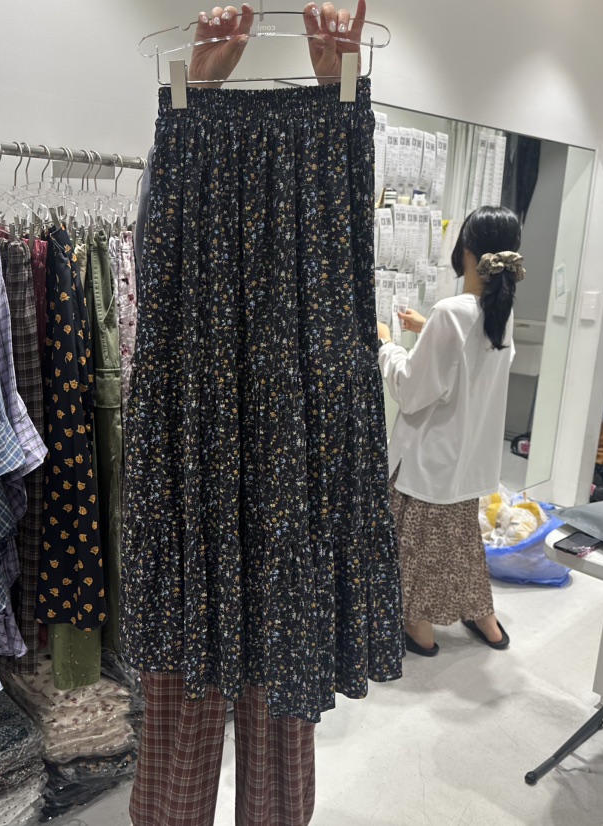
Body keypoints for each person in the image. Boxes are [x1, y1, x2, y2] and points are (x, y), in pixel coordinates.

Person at [128, 5, 377, 826]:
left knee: (274, 700)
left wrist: (338, 91)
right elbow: (156, 272)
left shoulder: (337, 143)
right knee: (185, 690)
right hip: (200, 431)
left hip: (287, 441)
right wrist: (197, 89)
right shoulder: (181, 134)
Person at [377, 206, 525, 656]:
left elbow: (411, 391)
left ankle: (419, 629)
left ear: (466, 252)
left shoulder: (450, 312)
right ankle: (486, 621)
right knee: (461, 547)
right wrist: (428, 331)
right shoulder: (500, 311)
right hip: (469, 462)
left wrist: (387, 344)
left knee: (414, 550)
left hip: (430, 460)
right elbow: (474, 362)